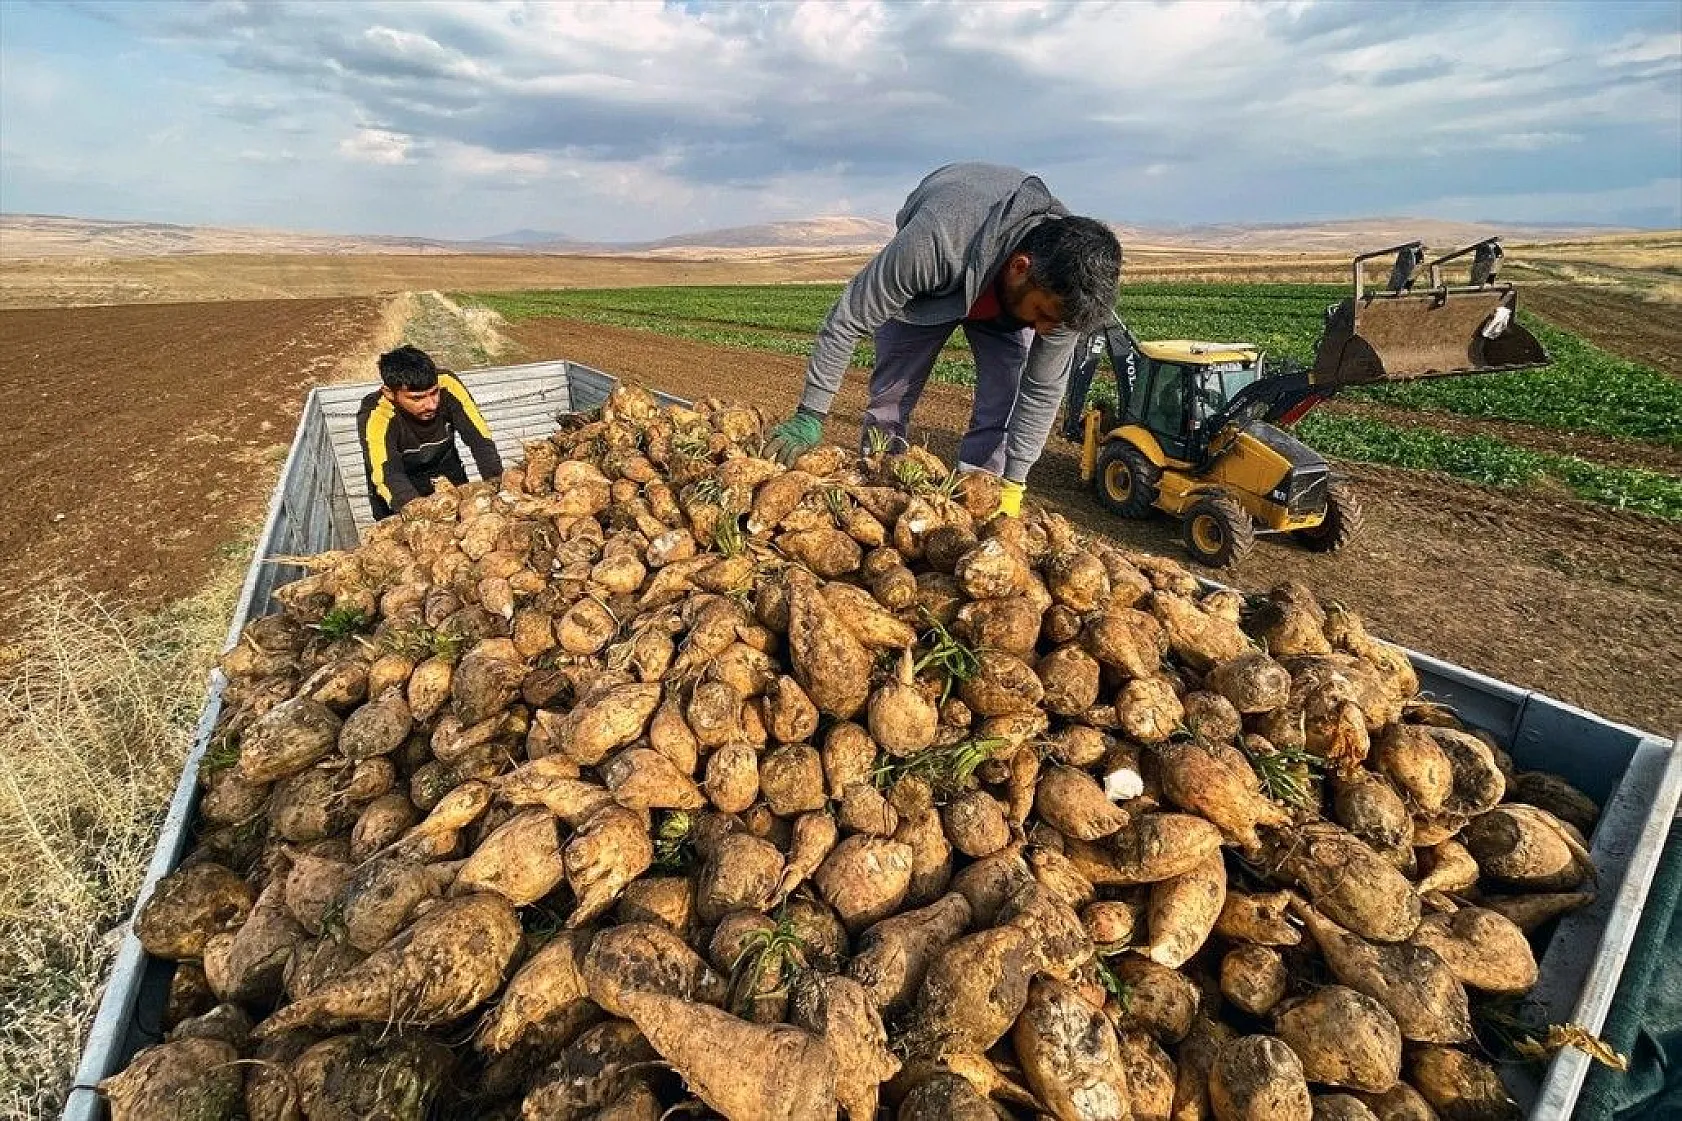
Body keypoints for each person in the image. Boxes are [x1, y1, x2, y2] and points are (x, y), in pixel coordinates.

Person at [764, 161, 1122, 515]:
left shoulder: (1069, 294)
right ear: (1020, 268)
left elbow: (1042, 390)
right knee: (892, 392)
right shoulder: (934, 241)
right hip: (941, 279)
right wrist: (810, 414)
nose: (1044, 330)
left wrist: (1014, 485)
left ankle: (978, 501)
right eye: (1042, 314)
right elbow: (849, 318)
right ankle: (880, 488)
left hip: (1001, 303)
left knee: (1005, 398)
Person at [356, 345, 502, 520]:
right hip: (399, 488)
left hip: (447, 475)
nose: (431, 404)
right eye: (417, 398)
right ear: (389, 393)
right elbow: (388, 474)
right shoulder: (376, 414)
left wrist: (498, 485)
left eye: (434, 393)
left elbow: (479, 439)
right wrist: (421, 515)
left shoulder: (447, 384)